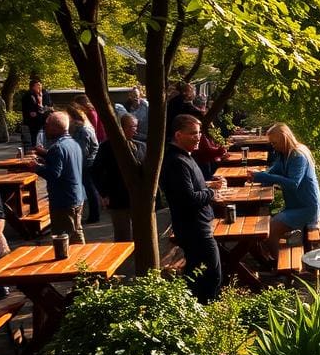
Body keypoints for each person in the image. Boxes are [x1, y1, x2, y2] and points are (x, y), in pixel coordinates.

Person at [160, 113, 224, 303]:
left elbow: (189, 188)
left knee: (205, 273)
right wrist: (212, 194)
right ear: (178, 135)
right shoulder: (176, 161)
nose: (198, 137)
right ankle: (205, 312)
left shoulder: (184, 156)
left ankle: (200, 310)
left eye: (199, 133)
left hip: (197, 225)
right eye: (193, 133)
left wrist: (208, 185)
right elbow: (187, 198)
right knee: (210, 275)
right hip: (193, 228)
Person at [249, 123, 320, 259]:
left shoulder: (298, 155)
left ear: (284, 138)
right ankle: (276, 261)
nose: (273, 146)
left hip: (306, 208)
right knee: (262, 228)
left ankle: (281, 267)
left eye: (275, 142)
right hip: (294, 206)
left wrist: (266, 177)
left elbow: (293, 184)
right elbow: (272, 172)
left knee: (269, 231)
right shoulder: (283, 155)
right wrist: (257, 176)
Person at [25, 111, 85, 243]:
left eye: (47, 125)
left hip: (63, 200)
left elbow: (53, 174)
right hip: (76, 196)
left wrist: (36, 167)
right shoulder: (73, 144)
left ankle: (76, 262)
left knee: (64, 238)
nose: (44, 128)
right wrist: (45, 155)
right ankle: (82, 261)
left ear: (55, 128)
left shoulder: (57, 148)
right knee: (76, 232)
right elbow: (64, 163)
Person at [92, 114, 146, 242]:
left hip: (139, 198)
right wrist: (104, 193)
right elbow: (96, 171)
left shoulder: (141, 146)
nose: (135, 130)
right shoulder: (108, 147)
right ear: (122, 128)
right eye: (132, 127)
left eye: (136, 126)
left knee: (142, 234)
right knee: (123, 236)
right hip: (118, 198)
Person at [67, 104, 101, 224]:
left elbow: (82, 150)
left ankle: (94, 215)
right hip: (88, 161)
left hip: (86, 163)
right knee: (90, 188)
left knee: (90, 189)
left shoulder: (82, 130)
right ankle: (94, 214)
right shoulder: (84, 127)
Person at [21, 78, 52, 148]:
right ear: (32, 87)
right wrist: (31, 112)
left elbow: (49, 106)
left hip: (44, 119)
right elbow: (28, 109)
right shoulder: (28, 95)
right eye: (37, 85)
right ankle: (34, 147)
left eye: (40, 85)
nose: (40, 87)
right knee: (34, 137)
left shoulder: (45, 93)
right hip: (32, 121)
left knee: (44, 136)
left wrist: (42, 106)